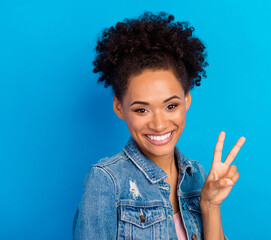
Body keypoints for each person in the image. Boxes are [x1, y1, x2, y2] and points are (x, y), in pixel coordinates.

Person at [73, 11, 245, 240]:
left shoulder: (196, 174)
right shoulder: (106, 181)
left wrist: (210, 205)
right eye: (141, 110)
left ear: (187, 100)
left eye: (171, 106)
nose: (159, 123)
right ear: (119, 107)